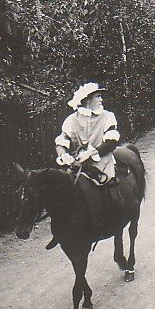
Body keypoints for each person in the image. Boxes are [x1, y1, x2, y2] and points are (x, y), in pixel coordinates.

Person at [55, 83, 122, 229]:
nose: (101, 99)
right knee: (65, 189)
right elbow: (62, 140)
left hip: (101, 161)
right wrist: (64, 155)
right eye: (98, 96)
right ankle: (64, 228)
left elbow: (111, 141)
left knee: (107, 186)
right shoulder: (71, 119)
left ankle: (111, 220)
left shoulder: (107, 116)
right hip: (77, 163)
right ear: (87, 100)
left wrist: (92, 153)